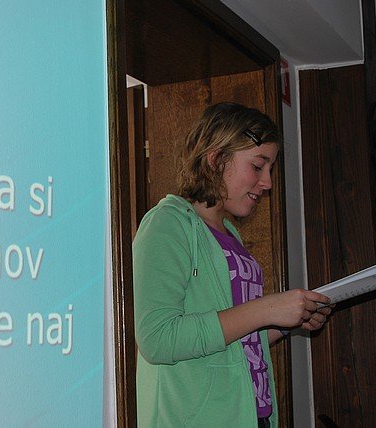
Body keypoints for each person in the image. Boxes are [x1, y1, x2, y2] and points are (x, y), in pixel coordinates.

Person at [133, 102, 332, 427]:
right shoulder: (167, 224)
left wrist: (285, 321)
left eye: (270, 169)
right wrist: (266, 309)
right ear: (216, 159)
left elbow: (234, 339)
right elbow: (157, 339)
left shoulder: (231, 235)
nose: (267, 182)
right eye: (258, 166)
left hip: (250, 416)